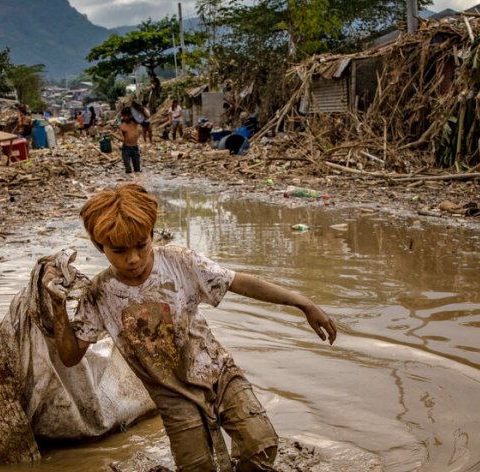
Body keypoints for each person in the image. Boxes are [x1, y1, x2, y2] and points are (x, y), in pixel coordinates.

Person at [44, 184, 337, 471]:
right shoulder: (99, 294)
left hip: (217, 373)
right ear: (100, 246)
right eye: (119, 250)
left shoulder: (178, 261)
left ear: (152, 235)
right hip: (170, 394)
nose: (133, 259)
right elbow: (70, 357)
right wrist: (58, 307)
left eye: (141, 245)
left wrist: (302, 302)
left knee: (261, 445)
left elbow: (238, 282)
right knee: (196, 466)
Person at [110, 107, 141, 174]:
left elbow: (140, 116)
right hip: (126, 148)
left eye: (127, 115)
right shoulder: (122, 126)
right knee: (128, 169)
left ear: (130, 115)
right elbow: (122, 139)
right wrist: (113, 134)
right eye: (124, 116)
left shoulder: (134, 122)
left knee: (137, 169)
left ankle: (136, 181)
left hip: (135, 147)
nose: (126, 117)